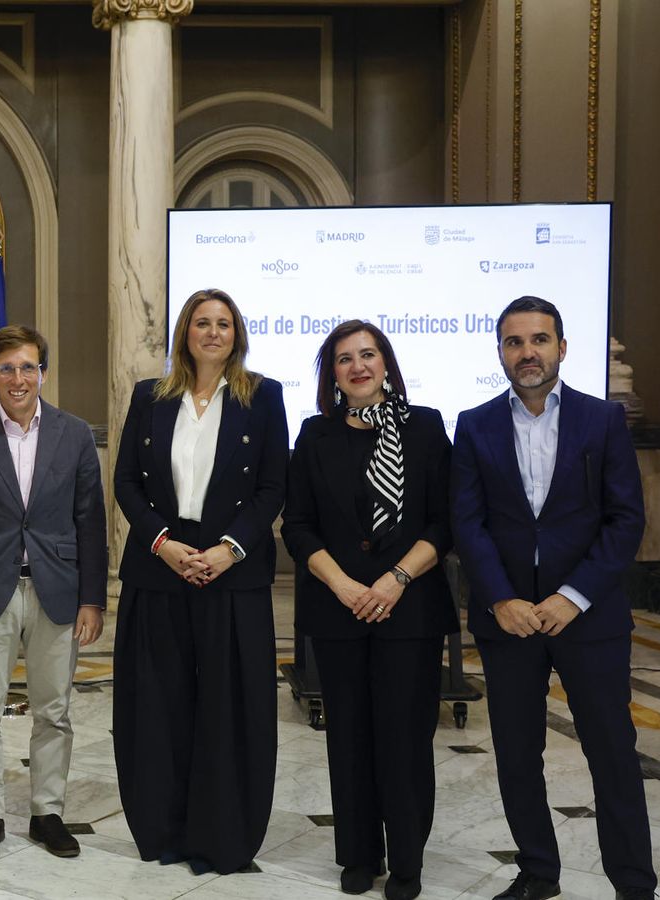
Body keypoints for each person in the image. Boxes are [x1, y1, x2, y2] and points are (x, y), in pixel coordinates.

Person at [451, 296, 655, 900]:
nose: (528, 352)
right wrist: (501, 599)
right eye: (515, 342)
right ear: (500, 353)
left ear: (562, 348)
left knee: (612, 752)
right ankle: (539, 872)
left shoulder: (603, 420)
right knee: (517, 754)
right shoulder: (474, 423)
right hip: (507, 619)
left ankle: (635, 885)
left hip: (588, 617)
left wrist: (572, 596)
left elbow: (625, 520)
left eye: (540, 340)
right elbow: (469, 524)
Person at [111, 287, 287, 875]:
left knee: (226, 710)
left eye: (225, 324)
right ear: (186, 331)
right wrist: (164, 545)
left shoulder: (263, 398)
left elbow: (271, 487)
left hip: (230, 574)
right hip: (159, 570)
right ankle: (163, 832)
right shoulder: (149, 397)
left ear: (237, 334)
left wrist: (228, 550)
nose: (213, 332)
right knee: (159, 708)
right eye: (202, 323)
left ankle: (221, 837)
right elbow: (127, 484)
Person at [281, 321, 457, 900]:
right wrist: (345, 586)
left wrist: (395, 578)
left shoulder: (425, 426)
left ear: (386, 363)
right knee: (349, 737)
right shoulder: (314, 435)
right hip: (339, 610)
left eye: (368, 355)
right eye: (344, 359)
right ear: (331, 374)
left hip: (409, 608)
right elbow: (299, 527)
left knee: (404, 740)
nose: (358, 366)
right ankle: (357, 854)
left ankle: (407, 861)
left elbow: (442, 522)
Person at [0, 324, 107, 860]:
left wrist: (93, 599)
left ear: (43, 374)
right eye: (6, 368)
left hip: (57, 590)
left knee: (54, 710)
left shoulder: (74, 433)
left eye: (28, 367)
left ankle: (47, 812)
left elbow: (90, 522)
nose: (17, 378)